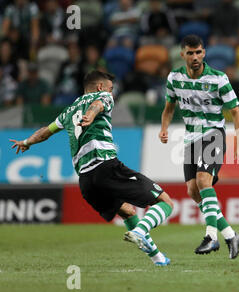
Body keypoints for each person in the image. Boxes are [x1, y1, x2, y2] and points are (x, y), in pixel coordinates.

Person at [10, 70, 173, 266]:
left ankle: (158, 259)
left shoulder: (68, 111)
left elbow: (46, 131)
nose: (112, 92)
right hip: (105, 166)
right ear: (100, 87)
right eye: (111, 88)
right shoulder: (103, 96)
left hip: (86, 181)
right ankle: (140, 231)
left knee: (128, 212)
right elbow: (98, 104)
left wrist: (26, 141)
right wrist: (90, 114)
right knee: (165, 201)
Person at [160, 34, 239, 258]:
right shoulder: (174, 78)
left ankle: (211, 237)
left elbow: (236, 112)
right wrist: (164, 128)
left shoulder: (219, 79)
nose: (195, 57)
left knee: (202, 180)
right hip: (190, 138)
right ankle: (230, 235)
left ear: (204, 53)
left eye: (198, 52)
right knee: (193, 191)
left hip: (213, 134)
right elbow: (169, 106)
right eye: (190, 53)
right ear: (183, 55)